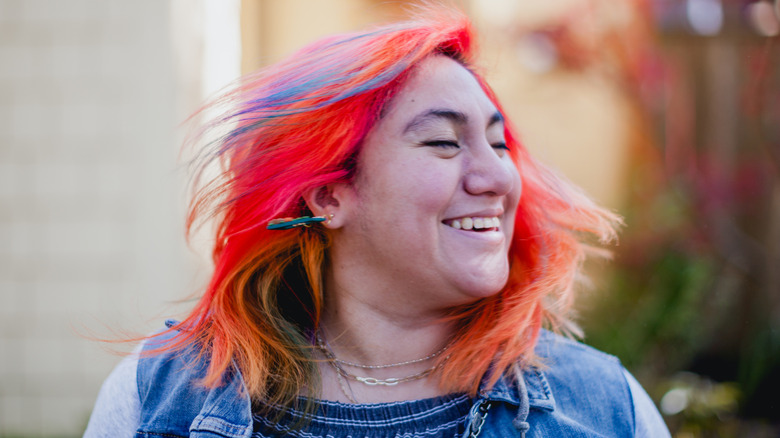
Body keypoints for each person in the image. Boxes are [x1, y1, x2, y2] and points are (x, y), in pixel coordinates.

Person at [85, 5, 670, 438]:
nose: (495, 178)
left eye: (498, 144)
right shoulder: (161, 400)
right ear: (327, 195)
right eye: (443, 142)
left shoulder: (604, 408)